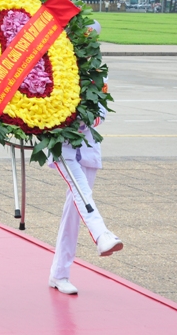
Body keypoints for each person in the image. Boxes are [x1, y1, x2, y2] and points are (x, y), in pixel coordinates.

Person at [49, 21, 123, 296]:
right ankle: (102, 234)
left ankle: (60, 273)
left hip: (88, 146)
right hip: (61, 145)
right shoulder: (56, 69)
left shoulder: (98, 76)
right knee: (82, 195)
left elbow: (102, 113)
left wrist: (85, 119)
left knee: (76, 210)